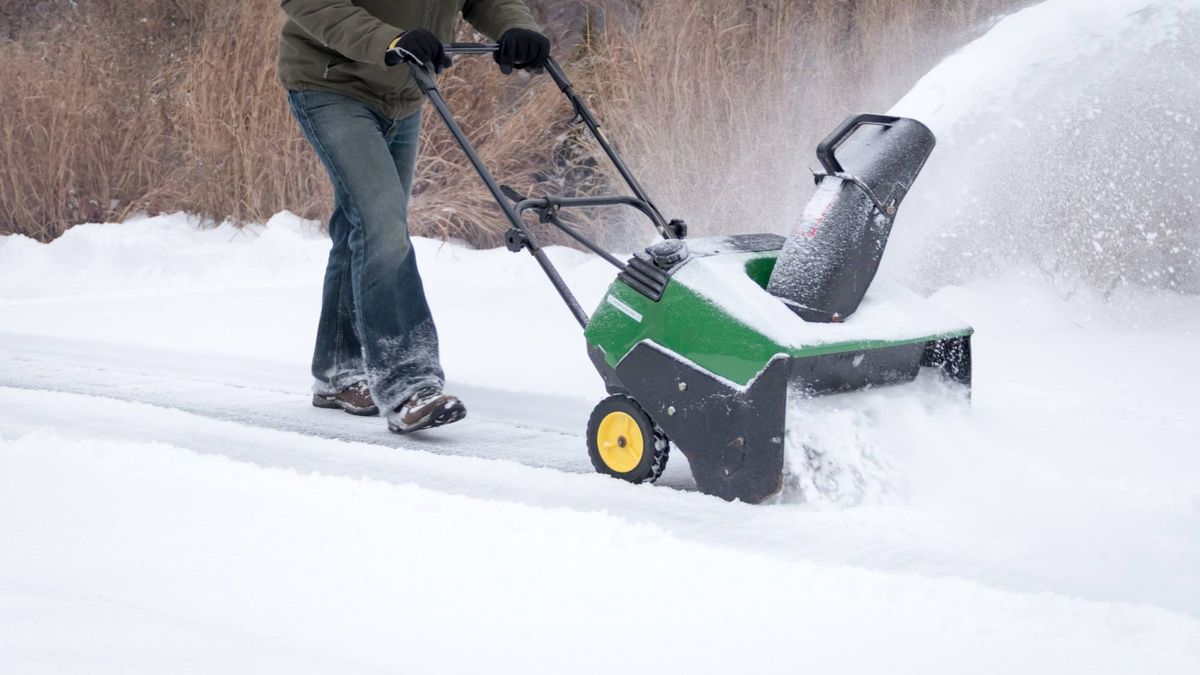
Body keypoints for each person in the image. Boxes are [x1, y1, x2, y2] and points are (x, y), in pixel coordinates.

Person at [278, 1, 550, 433]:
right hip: (331, 83)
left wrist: (516, 27)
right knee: (382, 225)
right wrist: (388, 39)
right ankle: (408, 385)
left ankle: (338, 371)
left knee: (364, 226)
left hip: (402, 91)